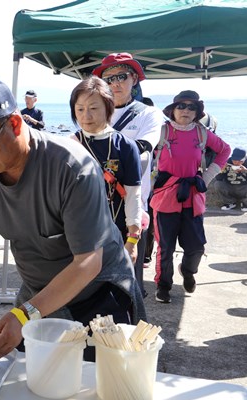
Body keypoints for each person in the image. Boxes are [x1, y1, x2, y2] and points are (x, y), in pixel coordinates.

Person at [0, 76, 146, 362]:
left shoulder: (72, 167)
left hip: (98, 292)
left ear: (14, 124)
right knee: (33, 384)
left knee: (98, 390)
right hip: (38, 295)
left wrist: (25, 313)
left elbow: (88, 261)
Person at [93, 52, 165, 295]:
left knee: (128, 282)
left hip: (130, 207)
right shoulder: (94, 111)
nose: (115, 84)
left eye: (121, 77)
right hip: (93, 205)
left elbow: (143, 152)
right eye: (108, 79)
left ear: (134, 79)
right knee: (93, 276)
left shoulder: (148, 114)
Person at [151, 90, 230, 303]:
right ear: (172, 110)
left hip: (193, 197)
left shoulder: (202, 134)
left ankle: (187, 270)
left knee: (196, 247)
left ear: (197, 113)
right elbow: (138, 150)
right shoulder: (160, 131)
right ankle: (163, 285)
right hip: (166, 197)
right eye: (181, 106)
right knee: (165, 247)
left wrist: (207, 176)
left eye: (191, 107)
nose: (186, 110)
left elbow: (225, 150)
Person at [69, 76, 143, 264]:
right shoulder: (68, 145)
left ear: (108, 107)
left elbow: (133, 195)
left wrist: (132, 241)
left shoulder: (125, 146)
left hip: (114, 234)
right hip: (75, 235)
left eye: (93, 108)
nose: (86, 116)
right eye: (80, 109)